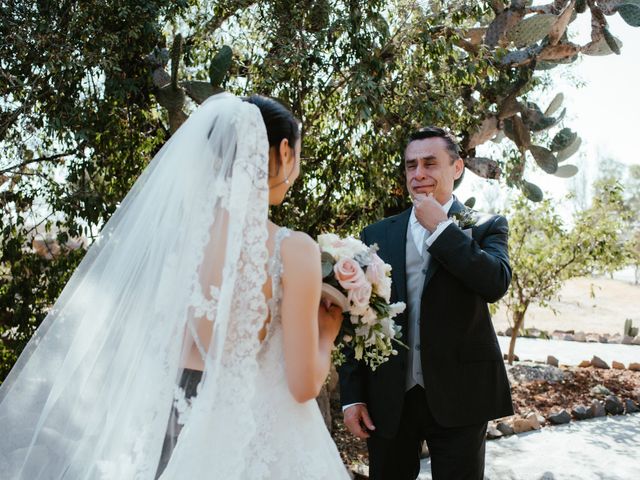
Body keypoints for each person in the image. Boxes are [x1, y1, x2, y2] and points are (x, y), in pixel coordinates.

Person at [0, 93, 351, 479]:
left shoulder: (172, 237)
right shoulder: (292, 250)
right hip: (245, 436)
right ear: (283, 151)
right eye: (297, 155)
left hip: (161, 424)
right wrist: (326, 336)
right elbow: (303, 386)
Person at [338, 126, 514, 480]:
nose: (418, 174)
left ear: (458, 167)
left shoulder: (486, 226)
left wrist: (442, 230)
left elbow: (494, 283)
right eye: (410, 165)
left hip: (461, 396)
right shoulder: (377, 234)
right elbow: (357, 318)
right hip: (389, 397)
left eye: (430, 164)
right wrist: (352, 396)